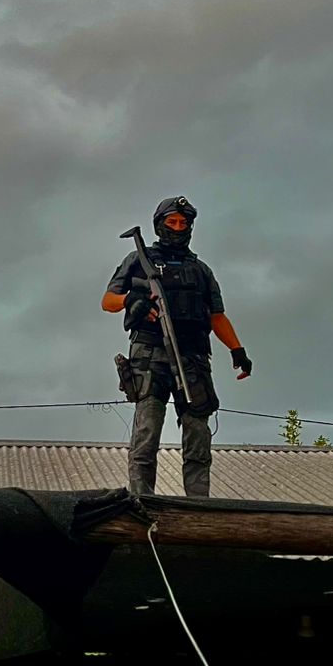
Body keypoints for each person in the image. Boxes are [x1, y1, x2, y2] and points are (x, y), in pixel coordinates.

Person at [102, 196, 251, 497]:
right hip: (150, 356)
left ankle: (198, 506)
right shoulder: (138, 260)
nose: (178, 228)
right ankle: (143, 501)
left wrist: (237, 349)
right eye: (172, 222)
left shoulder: (201, 270)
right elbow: (108, 301)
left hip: (193, 357)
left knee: (198, 433)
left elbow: (217, 316)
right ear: (160, 225)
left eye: (184, 223)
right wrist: (132, 300)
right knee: (147, 432)